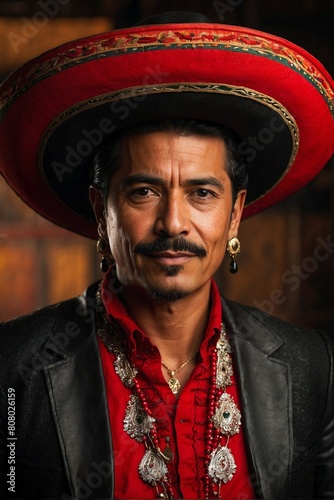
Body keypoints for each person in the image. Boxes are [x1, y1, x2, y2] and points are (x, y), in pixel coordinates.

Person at [0, 10, 333, 500]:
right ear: (101, 211)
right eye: (143, 192)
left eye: (202, 193)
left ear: (235, 214)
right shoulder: (13, 370)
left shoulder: (311, 369)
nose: (174, 223)